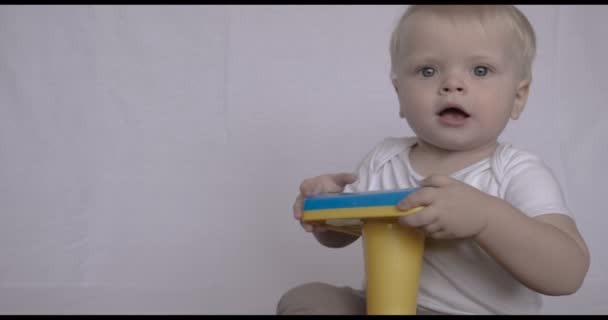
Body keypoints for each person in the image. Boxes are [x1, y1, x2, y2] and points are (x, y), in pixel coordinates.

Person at [276, 5, 590, 315]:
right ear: (399, 94)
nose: (452, 84)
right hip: (386, 307)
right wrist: (325, 210)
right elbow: (345, 233)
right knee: (309, 299)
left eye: (480, 70)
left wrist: (487, 218)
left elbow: (568, 272)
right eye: (428, 71)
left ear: (517, 97)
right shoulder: (385, 158)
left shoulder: (516, 172)